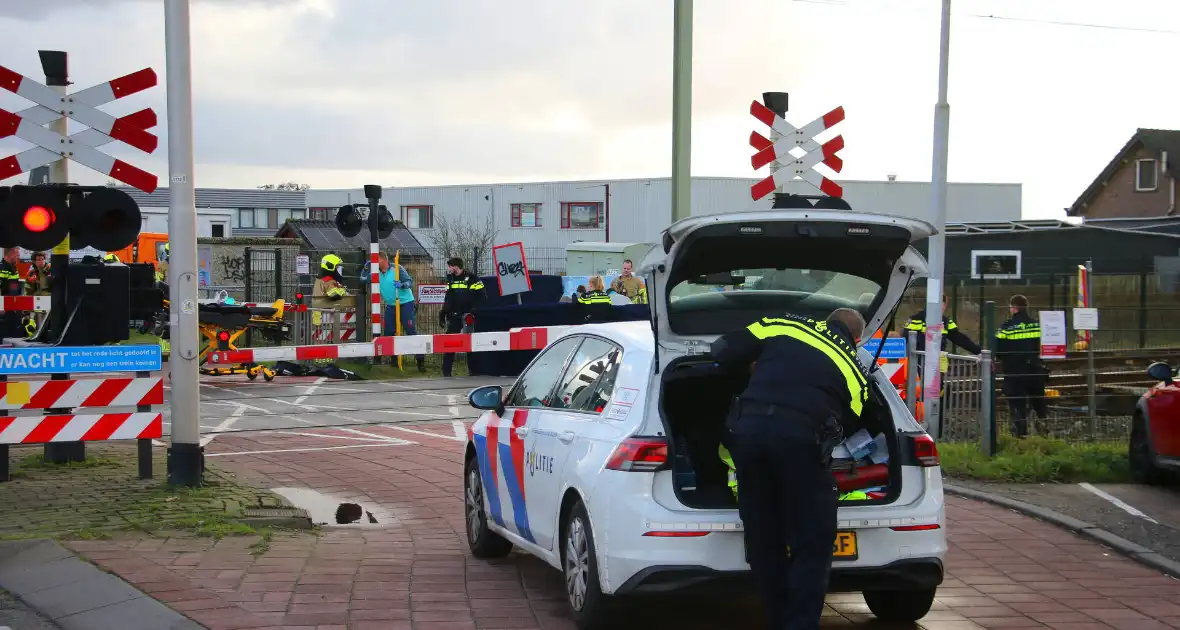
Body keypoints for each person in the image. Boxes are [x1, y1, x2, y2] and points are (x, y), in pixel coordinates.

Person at [710, 308, 869, 630]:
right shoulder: (855, 372)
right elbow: (846, 425)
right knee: (812, 544)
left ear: (826, 320)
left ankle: (778, 617)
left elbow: (724, 350)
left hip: (748, 435)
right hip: (800, 443)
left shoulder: (783, 323)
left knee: (763, 536)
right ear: (858, 339)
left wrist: (756, 369)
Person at [995, 294, 1048, 438]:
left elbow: (998, 350)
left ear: (1013, 308)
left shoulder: (1006, 327)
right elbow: (1041, 347)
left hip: (1014, 372)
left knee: (1017, 403)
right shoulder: (1036, 325)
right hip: (1034, 370)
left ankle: (1021, 434)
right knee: (1038, 401)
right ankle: (1043, 429)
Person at [378, 252, 425, 372]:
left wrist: (402, 285)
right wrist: (366, 268)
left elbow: (409, 282)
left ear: (384, 260)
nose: (375, 263)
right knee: (389, 332)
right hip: (391, 305)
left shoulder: (397, 268)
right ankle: (394, 359)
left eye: (376, 260)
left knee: (410, 329)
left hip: (406, 303)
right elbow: (363, 280)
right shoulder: (375, 272)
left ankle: (420, 360)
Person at [439, 257, 485, 377]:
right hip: (454, 316)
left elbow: (482, 296)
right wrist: (443, 312)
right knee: (450, 343)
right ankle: (446, 372)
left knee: (470, 343)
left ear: (456, 266)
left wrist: (475, 310)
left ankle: (473, 371)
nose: (448, 269)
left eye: (450, 266)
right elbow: (448, 298)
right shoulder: (451, 280)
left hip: (468, 316)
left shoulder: (472, 279)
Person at [0, 248, 23, 340]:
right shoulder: (2, 268)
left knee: (14, 334)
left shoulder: (13, 268)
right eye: (17, 254)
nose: (18, 256)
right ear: (10, 254)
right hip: (4, 309)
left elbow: (14, 287)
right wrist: (1, 306)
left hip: (13, 307)